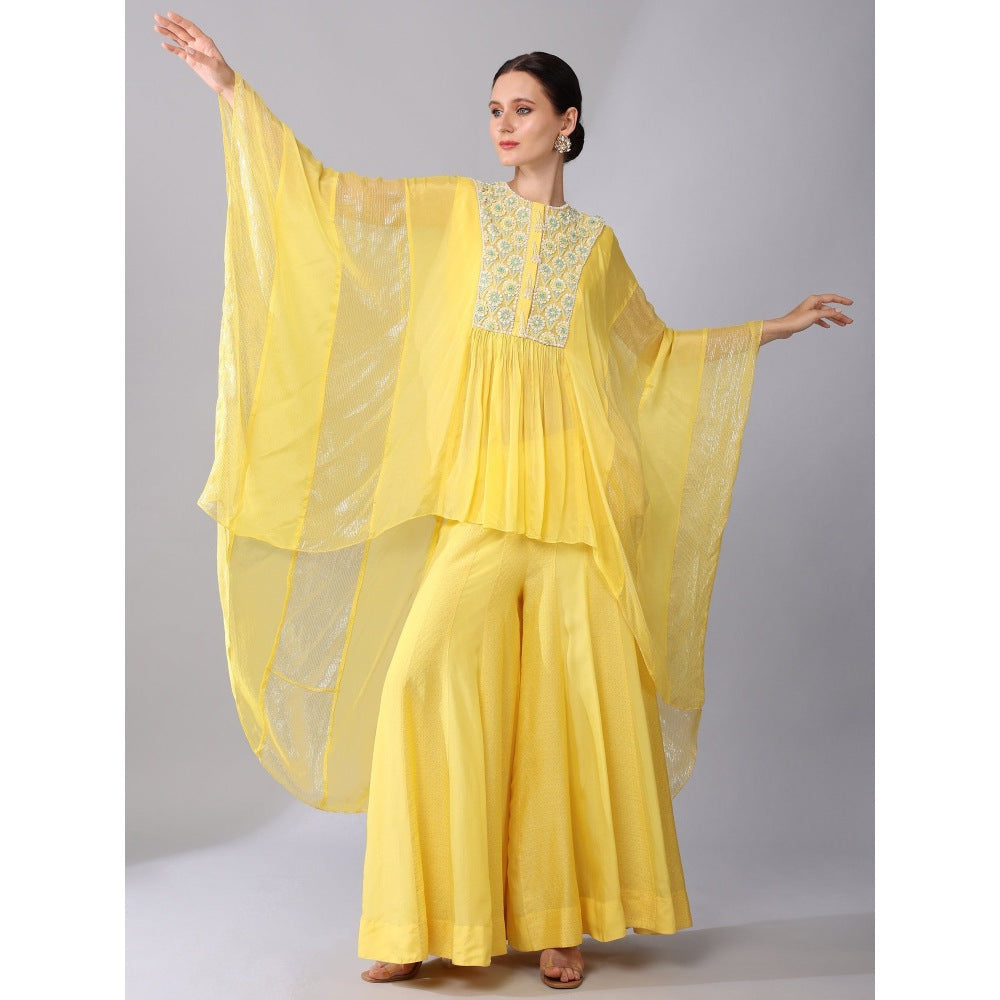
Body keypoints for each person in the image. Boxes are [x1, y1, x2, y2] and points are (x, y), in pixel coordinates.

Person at [154, 10, 854, 990]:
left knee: (563, 713)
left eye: (522, 109)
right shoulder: (461, 213)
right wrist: (232, 90)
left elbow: (653, 354)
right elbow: (328, 196)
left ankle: (557, 924)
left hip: (577, 514)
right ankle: (414, 919)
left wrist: (771, 328)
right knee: (420, 682)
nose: (503, 125)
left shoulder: (596, 249)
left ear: (568, 121)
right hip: (483, 507)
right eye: (493, 110)